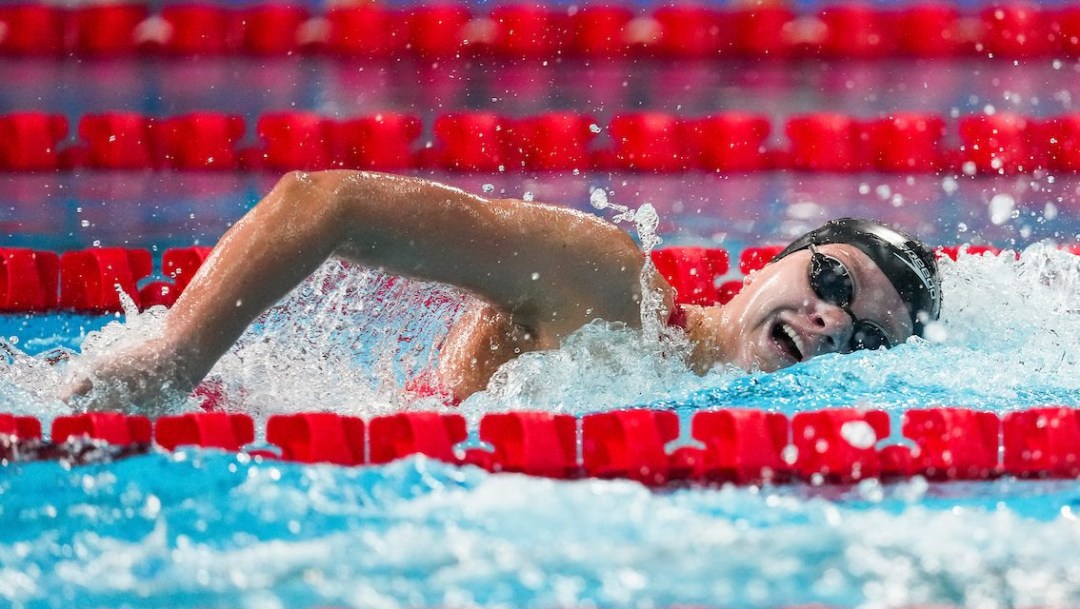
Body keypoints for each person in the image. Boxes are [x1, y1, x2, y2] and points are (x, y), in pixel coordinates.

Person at [63, 170, 942, 410]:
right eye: (833, 279)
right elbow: (325, 203)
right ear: (780, 257)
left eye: (864, 337)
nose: (830, 320)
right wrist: (173, 355)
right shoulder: (609, 286)